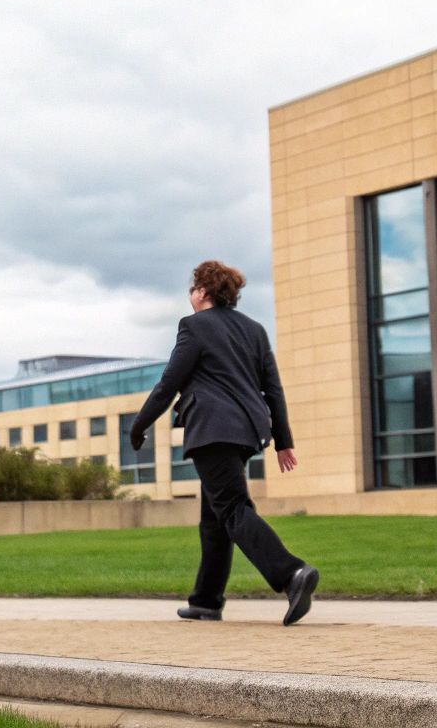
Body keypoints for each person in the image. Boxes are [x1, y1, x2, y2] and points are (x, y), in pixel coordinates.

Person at [129, 260, 319, 627]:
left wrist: (138, 426)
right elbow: (273, 389)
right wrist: (283, 440)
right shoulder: (255, 329)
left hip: (212, 430)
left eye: (192, 289)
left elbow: (169, 383)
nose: (191, 295)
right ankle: (206, 600)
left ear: (202, 292)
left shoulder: (194, 326)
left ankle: (291, 573)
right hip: (247, 431)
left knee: (231, 508)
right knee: (215, 518)